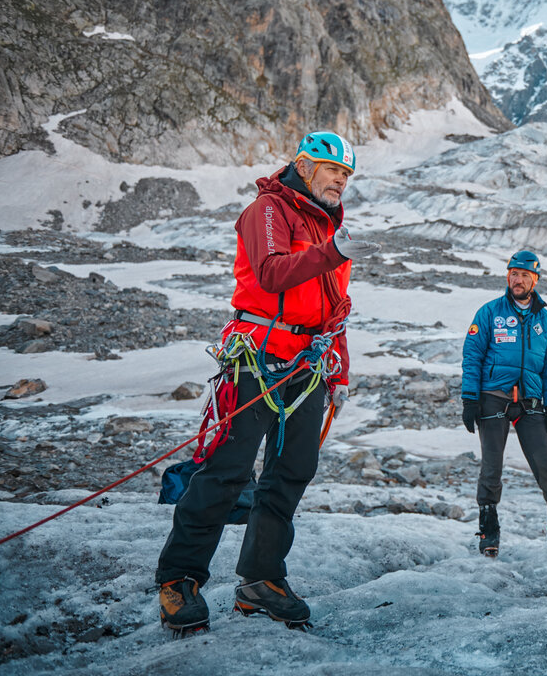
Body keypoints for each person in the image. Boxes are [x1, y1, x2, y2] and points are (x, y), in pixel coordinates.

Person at [155, 131, 381, 632]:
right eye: (333, 170)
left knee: (291, 472)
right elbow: (273, 274)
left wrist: (339, 370)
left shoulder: (328, 224)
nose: (342, 182)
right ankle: (178, 580)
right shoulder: (269, 211)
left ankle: (261, 580)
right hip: (257, 359)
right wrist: (334, 251)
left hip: (307, 368)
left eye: (347, 175)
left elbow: (334, 313)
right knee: (227, 471)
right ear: (303, 166)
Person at [461, 250, 547, 558]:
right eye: (513, 274)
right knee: (492, 467)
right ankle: (488, 529)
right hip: (493, 397)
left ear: (534, 279)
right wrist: (470, 399)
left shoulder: (545, 320)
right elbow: (472, 356)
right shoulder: (490, 312)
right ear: (507, 277)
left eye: (523, 275)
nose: (517, 280)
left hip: (531, 402)